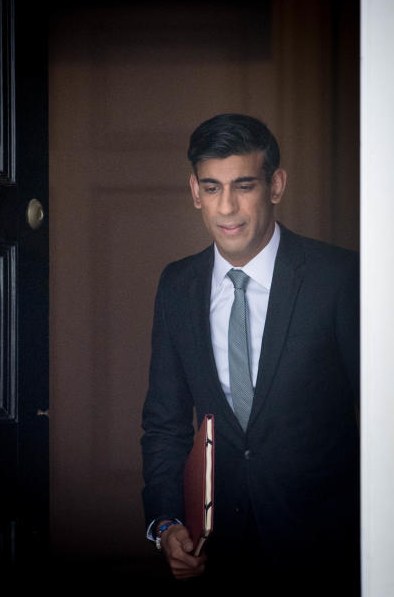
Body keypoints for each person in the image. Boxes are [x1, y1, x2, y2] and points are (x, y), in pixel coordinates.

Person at [140, 114, 359, 588]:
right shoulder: (177, 286)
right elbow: (164, 423)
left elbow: (385, 417)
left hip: (328, 549)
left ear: (275, 185)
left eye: (244, 185)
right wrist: (166, 522)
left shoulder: (339, 278)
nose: (228, 207)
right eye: (213, 188)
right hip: (218, 553)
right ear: (195, 191)